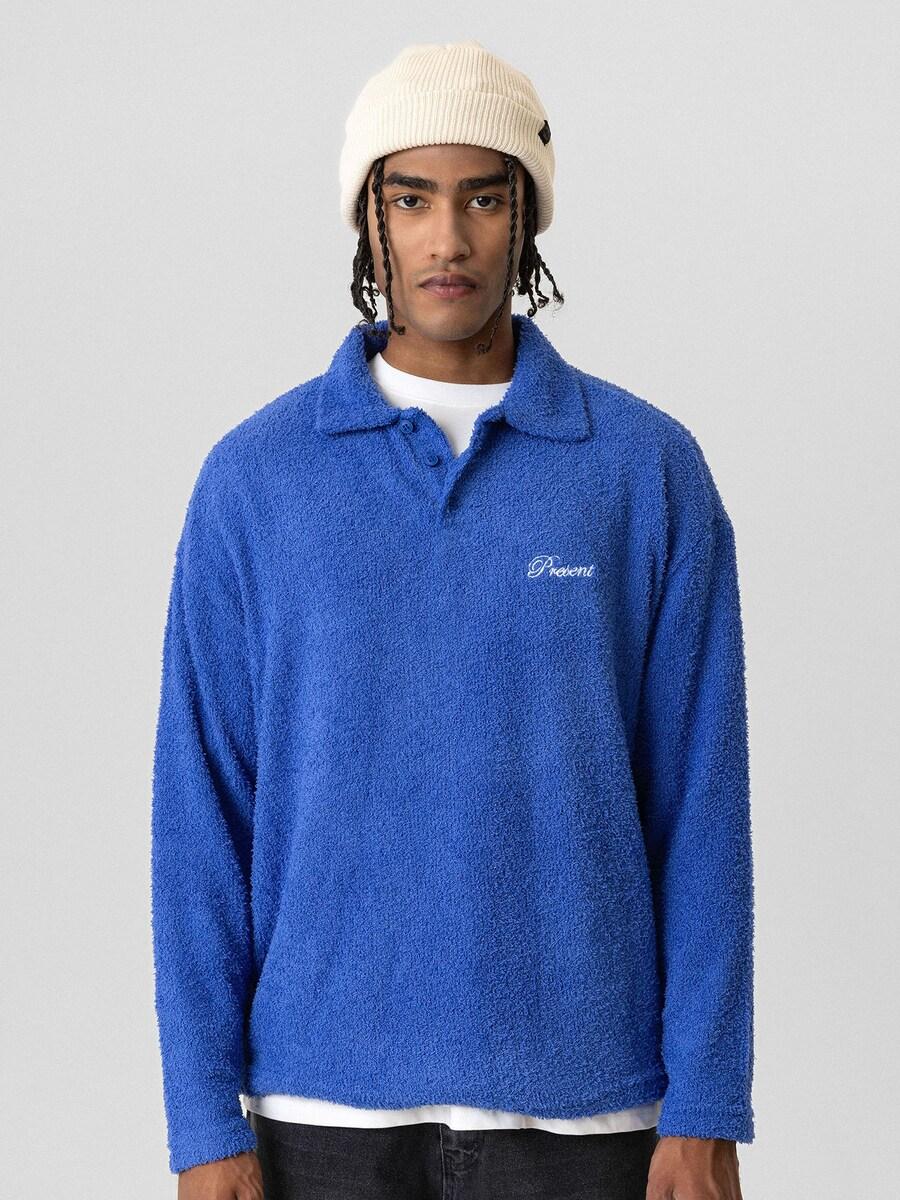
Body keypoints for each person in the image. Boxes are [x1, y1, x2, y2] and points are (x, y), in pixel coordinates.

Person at [150, 39, 756, 1200]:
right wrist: (201, 1120)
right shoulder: (256, 481)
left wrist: (709, 1101)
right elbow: (200, 819)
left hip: (592, 1118)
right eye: (411, 199)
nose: (448, 240)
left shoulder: (644, 471)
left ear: (526, 218)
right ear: (366, 220)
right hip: (318, 1117)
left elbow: (703, 806)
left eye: (483, 198)